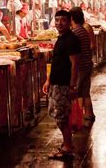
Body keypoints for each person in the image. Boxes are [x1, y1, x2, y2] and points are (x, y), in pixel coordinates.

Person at [42, 10, 80, 159]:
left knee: (62, 117)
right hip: (56, 83)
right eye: (57, 20)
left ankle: (67, 147)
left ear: (70, 21)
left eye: (63, 20)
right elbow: (56, 61)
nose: (59, 23)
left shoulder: (71, 39)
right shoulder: (61, 38)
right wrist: (48, 80)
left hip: (64, 84)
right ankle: (67, 144)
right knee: (59, 116)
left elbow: (75, 64)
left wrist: (72, 86)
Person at [69, 7, 95, 126]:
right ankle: (89, 114)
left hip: (80, 67)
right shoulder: (83, 30)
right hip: (87, 65)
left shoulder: (75, 33)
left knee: (77, 93)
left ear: (72, 18)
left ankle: (78, 119)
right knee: (85, 92)